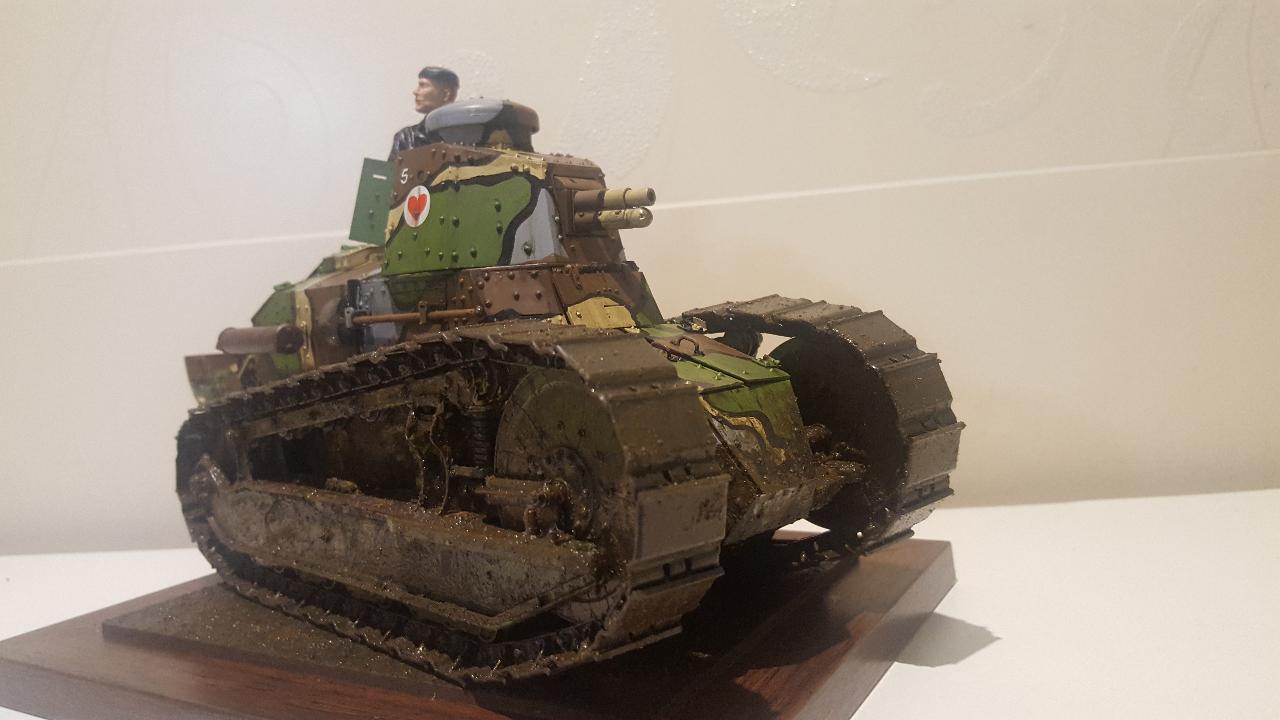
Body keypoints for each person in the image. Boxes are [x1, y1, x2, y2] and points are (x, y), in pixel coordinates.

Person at [388, 66, 460, 160]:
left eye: (423, 85)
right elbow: (393, 169)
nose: (415, 92)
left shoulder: (463, 136)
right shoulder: (407, 137)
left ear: (446, 94)